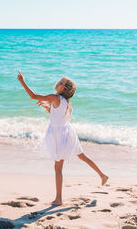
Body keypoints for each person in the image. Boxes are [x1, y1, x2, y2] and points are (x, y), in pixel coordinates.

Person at [17, 70, 109, 206]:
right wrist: (45, 106)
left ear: (64, 88)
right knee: (82, 156)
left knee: (58, 168)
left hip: (59, 135)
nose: (58, 83)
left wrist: (22, 81)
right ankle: (102, 175)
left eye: (61, 82)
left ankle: (59, 199)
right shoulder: (66, 102)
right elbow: (57, 115)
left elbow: (33, 96)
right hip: (67, 132)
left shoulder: (55, 97)